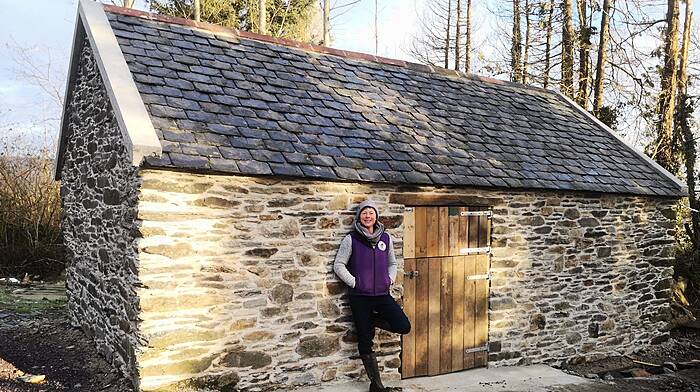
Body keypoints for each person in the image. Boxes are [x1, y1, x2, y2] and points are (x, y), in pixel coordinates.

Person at [334, 200, 411, 392]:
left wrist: (390, 278)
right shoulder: (351, 239)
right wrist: (355, 282)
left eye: (371, 213)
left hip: (381, 294)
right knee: (365, 339)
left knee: (403, 325)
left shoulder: (386, 238)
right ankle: (376, 386)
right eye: (364, 213)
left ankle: (370, 320)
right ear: (359, 217)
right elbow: (339, 265)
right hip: (359, 296)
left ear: (376, 216)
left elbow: (392, 263)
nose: (368, 216)